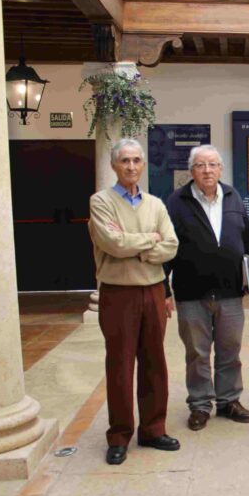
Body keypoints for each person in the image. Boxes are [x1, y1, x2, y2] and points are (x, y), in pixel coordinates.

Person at [87, 138, 179, 466]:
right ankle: (119, 435)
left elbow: (171, 245)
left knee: (155, 363)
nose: (131, 166)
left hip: (153, 291)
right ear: (114, 165)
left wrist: (134, 246)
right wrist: (150, 239)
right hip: (118, 293)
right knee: (120, 365)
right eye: (124, 160)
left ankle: (153, 429)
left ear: (143, 164)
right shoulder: (101, 202)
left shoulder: (155, 204)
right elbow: (112, 243)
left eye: (136, 160)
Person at [164, 145, 249, 432]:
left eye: (212, 165)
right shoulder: (176, 201)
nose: (207, 170)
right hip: (191, 293)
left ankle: (229, 401)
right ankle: (200, 405)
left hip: (230, 291)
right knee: (197, 353)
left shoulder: (232, 196)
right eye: (200, 165)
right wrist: (163, 288)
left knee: (230, 350)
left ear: (221, 169)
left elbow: (247, 238)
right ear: (191, 171)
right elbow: (167, 247)